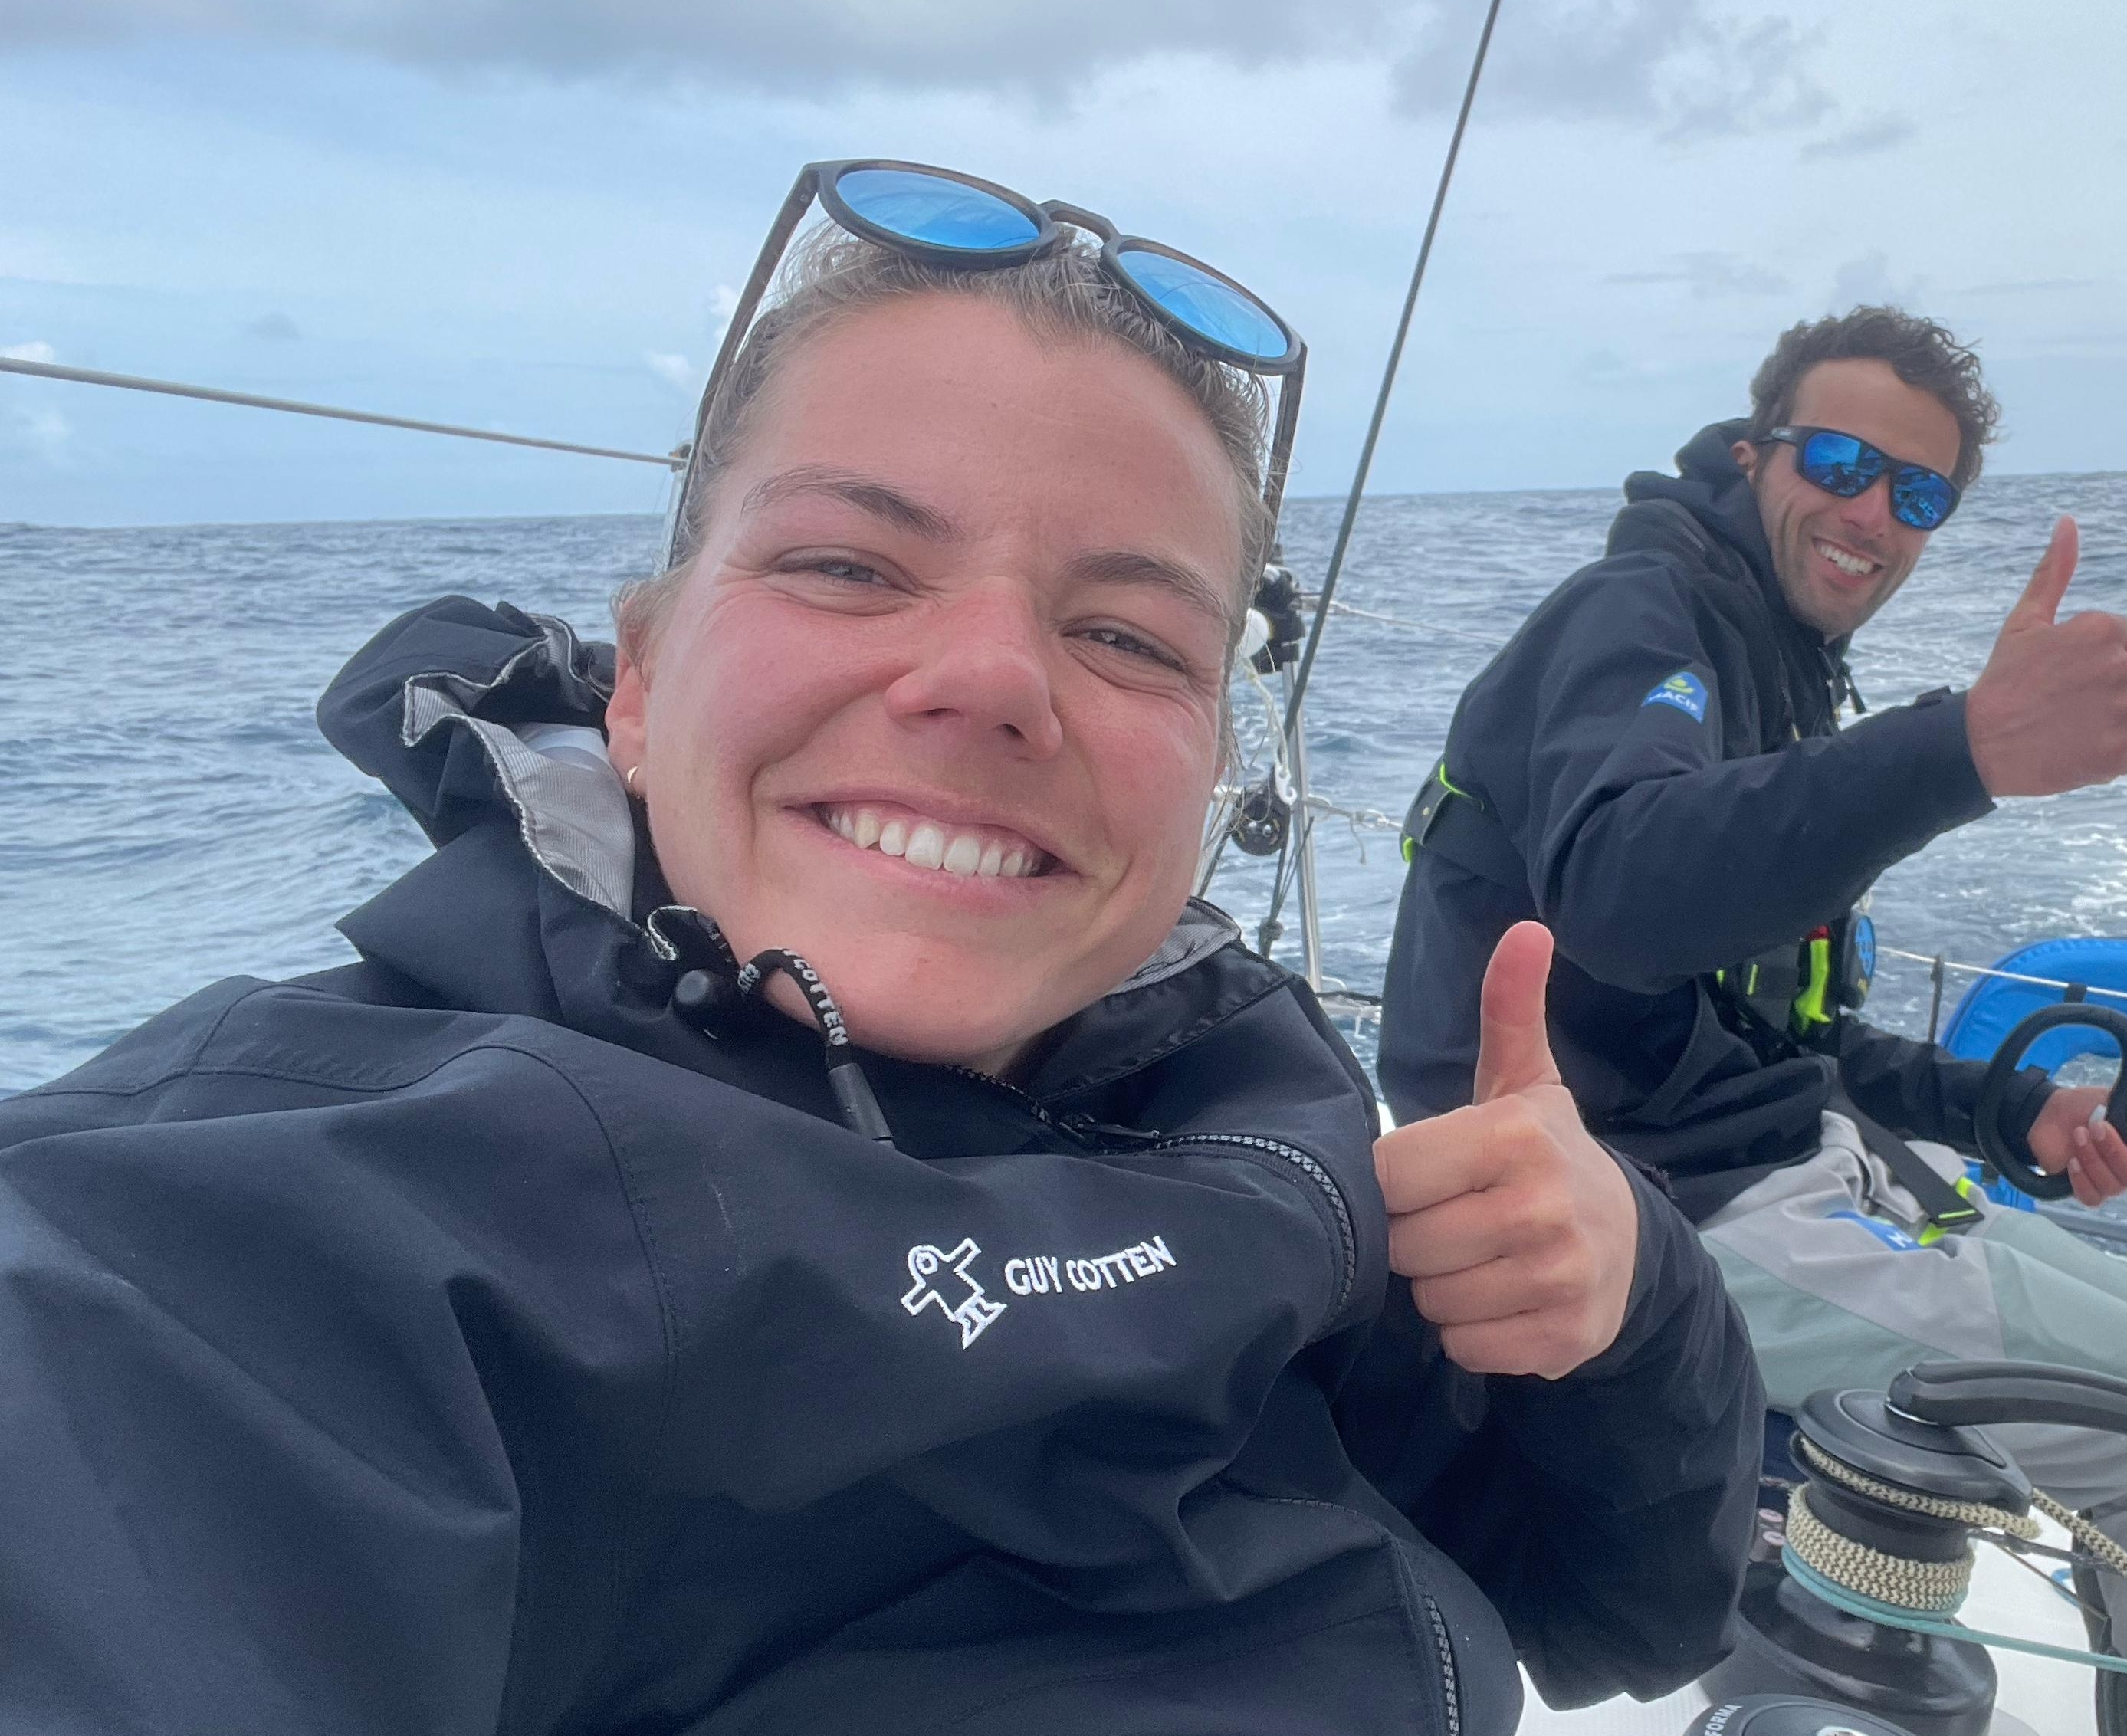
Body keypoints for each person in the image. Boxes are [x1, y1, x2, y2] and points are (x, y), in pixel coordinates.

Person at [0, 163, 1760, 1735]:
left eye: (1131, 637)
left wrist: (1632, 1295)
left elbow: (1611, 1612)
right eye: (848, 563)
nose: (992, 676)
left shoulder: (1245, 1094)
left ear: (1218, 753)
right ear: (637, 680)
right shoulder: (300, 1220)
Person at [1381, 306, 2127, 1732]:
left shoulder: (1781, 670)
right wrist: (1963, 747)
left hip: (1782, 1165)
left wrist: (2008, 1113)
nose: (1870, 513)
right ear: (1753, 452)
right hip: (1636, 1202)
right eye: (1837, 461)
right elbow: (1622, 889)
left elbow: (1781, 1039)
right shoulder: (1638, 618)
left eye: (1917, 494)